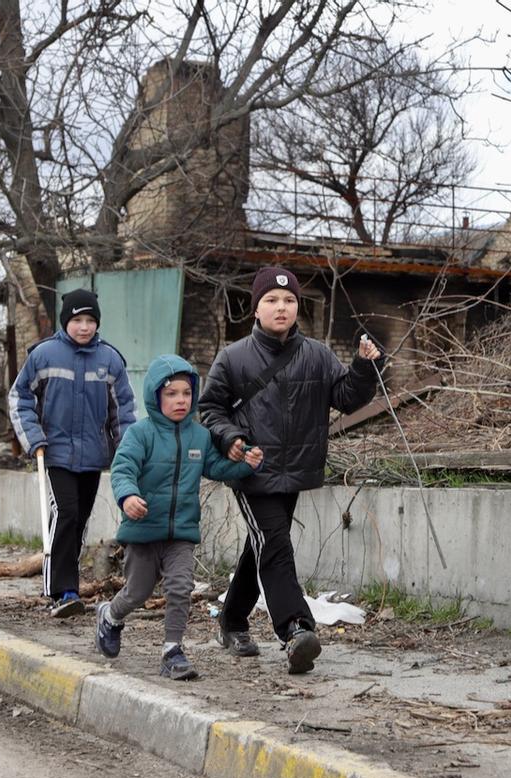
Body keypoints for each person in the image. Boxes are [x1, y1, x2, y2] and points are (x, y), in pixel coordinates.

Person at [198, 266, 382, 674]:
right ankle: (296, 629)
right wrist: (231, 438)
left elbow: (347, 398)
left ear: (297, 307)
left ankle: (231, 621)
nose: (281, 307)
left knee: (263, 543)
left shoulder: (316, 354)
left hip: (296, 468)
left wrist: (365, 367)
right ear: (256, 309)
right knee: (276, 544)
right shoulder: (233, 358)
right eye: (271, 300)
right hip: (251, 469)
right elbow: (209, 409)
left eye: (289, 300)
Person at [96, 354, 263, 680]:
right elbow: (123, 469)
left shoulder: (199, 436)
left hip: (182, 532)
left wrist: (246, 463)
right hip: (144, 529)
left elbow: (215, 467)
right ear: (156, 396)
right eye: (171, 394)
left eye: (186, 393)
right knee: (138, 592)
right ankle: (110, 616)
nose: (180, 400)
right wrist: (128, 496)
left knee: (180, 587)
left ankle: (172, 650)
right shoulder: (140, 434)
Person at [9, 288, 136, 619]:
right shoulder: (44, 355)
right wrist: (33, 437)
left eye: (90, 320)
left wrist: (126, 450)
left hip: (93, 455)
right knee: (64, 514)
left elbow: (122, 409)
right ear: (66, 321)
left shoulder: (110, 359)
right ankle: (59, 590)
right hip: (55, 453)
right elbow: (20, 398)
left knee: (78, 520)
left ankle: (69, 589)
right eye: (77, 320)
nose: (84, 327)